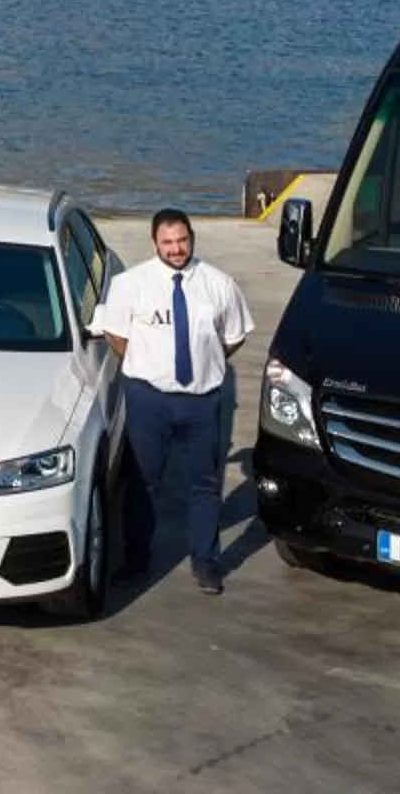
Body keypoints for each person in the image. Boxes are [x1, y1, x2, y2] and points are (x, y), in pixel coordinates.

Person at [91, 208, 251, 594]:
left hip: (200, 402)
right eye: (168, 242)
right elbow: (115, 333)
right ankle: (136, 562)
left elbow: (234, 335)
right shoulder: (131, 284)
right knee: (144, 483)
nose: (176, 249)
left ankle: (205, 562)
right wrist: (148, 364)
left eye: (182, 240)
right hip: (149, 400)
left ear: (191, 238)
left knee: (204, 485)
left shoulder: (219, 284)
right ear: (154, 243)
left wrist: (204, 363)